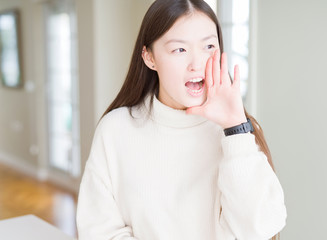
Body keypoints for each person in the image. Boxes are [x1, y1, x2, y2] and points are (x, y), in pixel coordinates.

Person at [76, 0, 287, 239]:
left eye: (209, 46)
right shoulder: (115, 130)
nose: (197, 64)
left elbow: (259, 229)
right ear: (149, 57)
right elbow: (99, 230)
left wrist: (236, 129)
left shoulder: (239, 131)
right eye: (180, 49)